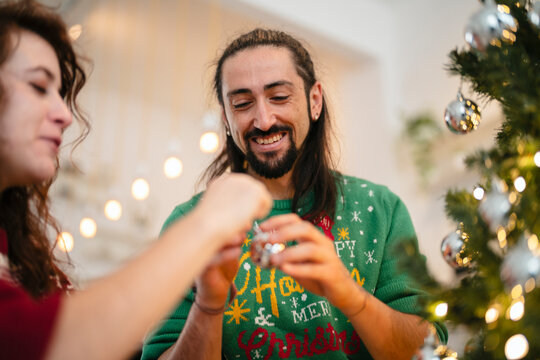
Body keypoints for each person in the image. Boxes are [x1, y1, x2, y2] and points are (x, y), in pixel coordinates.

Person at [141, 28, 447, 360]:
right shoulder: (191, 224)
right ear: (226, 118)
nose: (263, 119)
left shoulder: (379, 209)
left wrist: (348, 294)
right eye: (243, 103)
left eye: (279, 97)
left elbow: (428, 350)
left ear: (314, 101)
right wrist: (208, 305)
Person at [0, 2, 272, 360]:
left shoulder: (13, 243)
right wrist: (209, 221)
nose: (65, 114)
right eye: (38, 86)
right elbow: (54, 343)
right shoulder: (191, 215)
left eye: (61, 94)